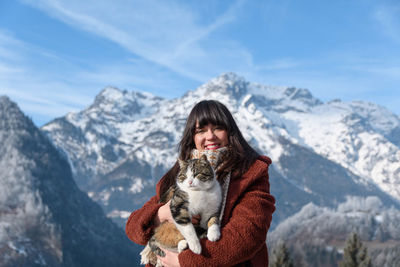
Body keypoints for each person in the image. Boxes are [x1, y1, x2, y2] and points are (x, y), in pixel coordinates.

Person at [125, 100, 275, 267]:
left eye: (218, 128)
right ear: (193, 137)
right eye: (201, 131)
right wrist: (161, 214)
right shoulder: (180, 174)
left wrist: (184, 262)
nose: (210, 136)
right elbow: (133, 228)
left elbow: (246, 236)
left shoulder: (251, 173)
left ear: (230, 131)